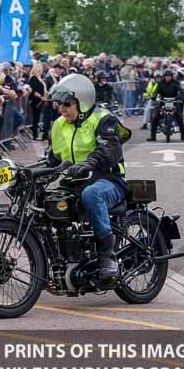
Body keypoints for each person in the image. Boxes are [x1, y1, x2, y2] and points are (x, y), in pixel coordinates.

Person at [46, 74, 131, 281]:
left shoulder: (103, 119)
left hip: (107, 180)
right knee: (45, 201)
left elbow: (110, 150)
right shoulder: (59, 125)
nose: (62, 108)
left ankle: (107, 256)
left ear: (82, 102)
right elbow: (53, 158)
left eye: (67, 103)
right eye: (60, 103)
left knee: (92, 194)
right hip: (73, 182)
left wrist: (89, 163)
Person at [149, 69, 184, 141]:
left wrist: (183, 97)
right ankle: (152, 136)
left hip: (174, 101)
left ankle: (183, 136)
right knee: (155, 117)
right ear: (164, 77)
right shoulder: (160, 83)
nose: (168, 77)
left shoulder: (176, 83)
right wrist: (153, 96)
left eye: (169, 76)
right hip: (163, 101)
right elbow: (156, 91)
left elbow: (181, 91)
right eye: (166, 76)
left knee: (180, 118)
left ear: (172, 77)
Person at [27, 62, 47, 140]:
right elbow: (33, 90)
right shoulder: (33, 78)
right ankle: (35, 134)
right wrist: (41, 97)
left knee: (37, 118)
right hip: (36, 101)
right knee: (35, 117)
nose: (41, 70)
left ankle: (36, 134)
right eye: (39, 68)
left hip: (40, 100)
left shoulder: (40, 78)